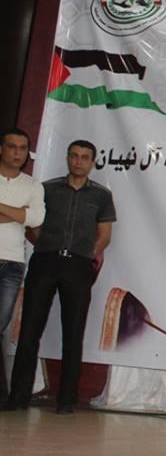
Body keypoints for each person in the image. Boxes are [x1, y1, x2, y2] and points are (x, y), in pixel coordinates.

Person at [3, 140, 116, 414]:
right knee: (30, 330)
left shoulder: (101, 195)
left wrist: (86, 256)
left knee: (73, 333)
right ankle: (18, 397)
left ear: (92, 162)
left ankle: (66, 400)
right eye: (74, 156)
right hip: (45, 262)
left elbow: (104, 236)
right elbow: (34, 226)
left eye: (84, 157)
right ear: (67, 158)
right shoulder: (47, 189)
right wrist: (46, 246)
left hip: (78, 266)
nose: (78, 161)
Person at [0, 128, 46, 400]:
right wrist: (19, 213)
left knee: (1, 324)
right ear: (1, 149)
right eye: (12, 146)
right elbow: (26, 216)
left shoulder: (32, 185)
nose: (17, 153)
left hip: (12, 264)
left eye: (22, 148)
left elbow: (36, 218)